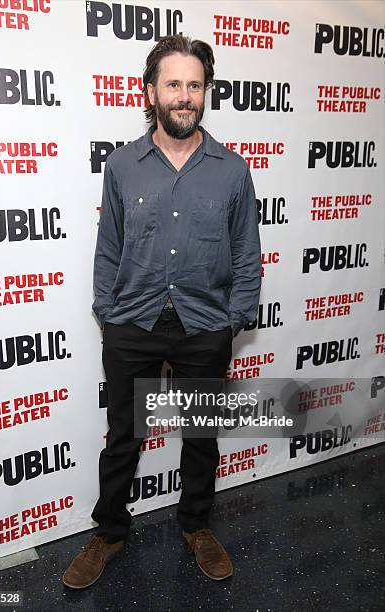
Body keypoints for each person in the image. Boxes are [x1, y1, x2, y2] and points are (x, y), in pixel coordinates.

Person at [63, 34, 262, 589]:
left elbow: (247, 248)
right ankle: (109, 532)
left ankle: (197, 526)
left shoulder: (232, 169)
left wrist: (236, 315)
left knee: (201, 434)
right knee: (123, 433)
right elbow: (109, 246)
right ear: (150, 92)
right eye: (172, 84)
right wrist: (109, 310)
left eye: (194, 85)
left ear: (206, 93)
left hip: (205, 324)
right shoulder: (123, 166)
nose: (184, 96)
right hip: (134, 321)